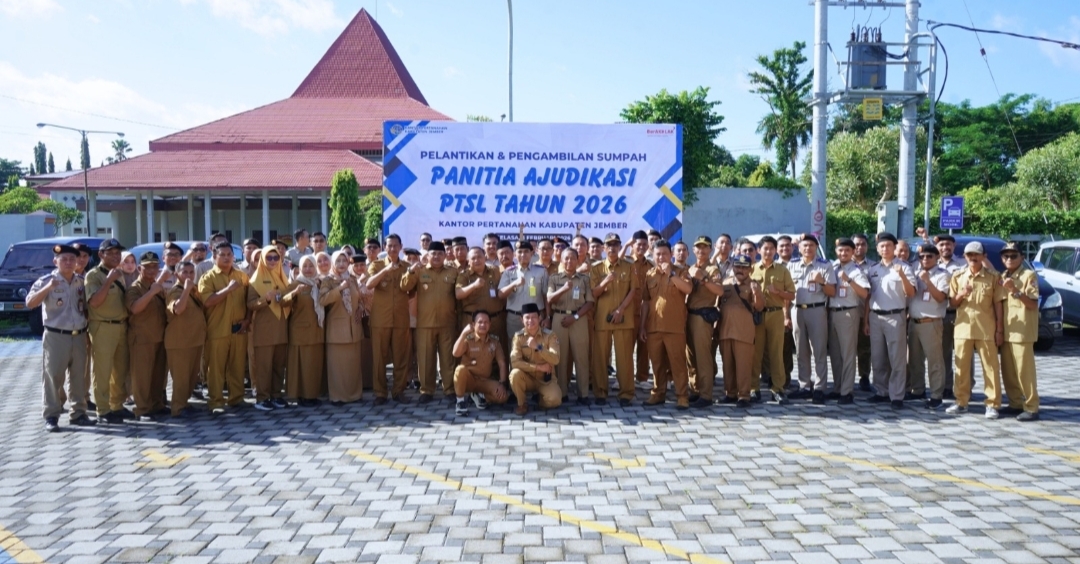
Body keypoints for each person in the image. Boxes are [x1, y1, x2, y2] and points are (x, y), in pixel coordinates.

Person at [26, 244, 94, 432]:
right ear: (55, 261)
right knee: (53, 376)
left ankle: (79, 413)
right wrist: (48, 288)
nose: (68, 262)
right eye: (63, 259)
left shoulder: (81, 281)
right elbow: (30, 303)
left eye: (72, 259)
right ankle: (51, 416)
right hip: (56, 336)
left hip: (79, 334)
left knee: (79, 377)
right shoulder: (46, 280)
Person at [947, 241, 1005, 418]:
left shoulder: (993, 277)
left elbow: (998, 304)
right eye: (969, 255)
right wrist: (961, 294)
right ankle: (961, 401)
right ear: (964, 257)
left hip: (986, 327)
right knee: (961, 367)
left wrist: (999, 329)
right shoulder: (958, 276)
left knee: (990, 367)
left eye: (976, 255)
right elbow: (952, 303)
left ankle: (992, 404)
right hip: (963, 327)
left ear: (983, 257)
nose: (973, 258)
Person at [401, 241, 458, 403]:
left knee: (448, 359)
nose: (437, 257)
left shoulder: (453, 272)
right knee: (425, 358)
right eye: (434, 254)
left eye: (440, 254)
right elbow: (404, 286)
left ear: (445, 255)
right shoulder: (420, 271)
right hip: (425, 323)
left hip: (448, 323)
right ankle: (426, 390)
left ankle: (449, 389)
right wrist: (411, 271)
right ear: (428, 256)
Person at [639, 240, 694, 409]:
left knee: (677, 363)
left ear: (671, 255)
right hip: (653, 327)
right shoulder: (649, 275)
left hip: (674, 327)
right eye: (658, 254)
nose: (661, 257)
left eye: (664, 254)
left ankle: (682, 396)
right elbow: (646, 302)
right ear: (653, 255)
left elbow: (688, 289)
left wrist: (671, 274)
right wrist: (642, 326)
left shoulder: (681, 271)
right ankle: (658, 393)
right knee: (657, 363)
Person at [865, 232, 917, 409]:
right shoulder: (873, 269)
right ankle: (881, 391)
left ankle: (896, 395)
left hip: (896, 316)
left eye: (888, 245)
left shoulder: (904, 267)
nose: (885, 248)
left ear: (895, 248)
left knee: (897, 358)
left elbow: (911, 293)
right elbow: (868, 296)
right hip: (875, 316)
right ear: (878, 249)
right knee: (878, 357)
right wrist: (866, 320)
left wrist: (902, 275)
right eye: (882, 246)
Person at [198, 241, 250, 415]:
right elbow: (208, 301)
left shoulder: (241, 276)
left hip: (239, 329)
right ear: (214, 256)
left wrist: (247, 320)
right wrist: (228, 289)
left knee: (237, 366)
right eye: (223, 255)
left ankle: (237, 398)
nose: (227, 258)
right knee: (216, 368)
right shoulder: (207, 278)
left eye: (229, 254)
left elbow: (248, 300)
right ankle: (216, 402)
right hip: (218, 329)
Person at [590, 234, 640, 407]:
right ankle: (600, 392)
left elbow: (633, 290)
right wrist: (605, 281)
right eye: (608, 245)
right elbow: (594, 293)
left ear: (620, 247)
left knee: (625, 357)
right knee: (600, 357)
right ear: (604, 248)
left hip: (623, 317)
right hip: (602, 318)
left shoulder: (629, 266)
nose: (612, 248)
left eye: (615, 245)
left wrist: (621, 309)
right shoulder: (596, 268)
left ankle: (626, 393)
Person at [86, 238, 132, 424]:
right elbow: (95, 302)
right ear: (101, 255)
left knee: (120, 370)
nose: (115, 256)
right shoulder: (94, 275)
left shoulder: (119, 273)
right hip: (102, 326)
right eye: (111, 252)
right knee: (103, 370)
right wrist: (108, 281)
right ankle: (103, 410)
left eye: (118, 252)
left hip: (121, 325)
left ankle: (117, 405)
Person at [788, 234, 836, 403]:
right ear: (799, 248)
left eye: (811, 245)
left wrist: (822, 282)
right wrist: (786, 315)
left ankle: (820, 387)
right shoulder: (792, 265)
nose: (808, 248)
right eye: (805, 245)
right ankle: (804, 385)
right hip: (797, 310)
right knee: (801, 350)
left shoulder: (825, 265)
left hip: (817, 310)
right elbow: (787, 292)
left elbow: (832, 292)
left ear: (816, 248)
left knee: (819, 350)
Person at [366, 234, 413, 404]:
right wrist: (386, 270)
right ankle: (380, 393)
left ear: (401, 247)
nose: (392, 249)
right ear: (385, 248)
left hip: (400, 319)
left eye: (395, 246)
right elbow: (369, 284)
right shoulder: (377, 265)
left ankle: (398, 391)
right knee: (379, 358)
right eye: (389, 246)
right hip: (380, 320)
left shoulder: (407, 267)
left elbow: (413, 290)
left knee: (401, 357)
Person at [750, 236, 796, 405]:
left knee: (777, 353)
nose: (768, 251)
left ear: (775, 251)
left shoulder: (782, 270)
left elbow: (792, 294)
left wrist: (778, 292)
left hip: (776, 314)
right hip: (757, 315)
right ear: (759, 250)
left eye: (771, 248)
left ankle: (778, 388)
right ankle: (753, 388)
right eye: (765, 248)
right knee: (756, 353)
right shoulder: (752, 269)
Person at [998, 242, 1040, 421]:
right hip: (1007, 330)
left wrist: (1015, 290)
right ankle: (1015, 403)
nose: (1009, 259)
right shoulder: (1003, 275)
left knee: (1025, 371)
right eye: (1006, 256)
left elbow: (1033, 304)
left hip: (1022, 330)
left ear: (1022, 257)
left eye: (1013, 256)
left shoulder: (1028, 275)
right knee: (1008, 371)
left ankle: (1031, 406)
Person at [125, 251, 170, 421]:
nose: (152, 271)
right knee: (142, 376)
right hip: (142, 339)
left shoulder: (157, 287)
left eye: (155, 267)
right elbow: (135, 308)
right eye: (147, 267)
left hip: (159, 336)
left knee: (158, 375)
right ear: (139, 268)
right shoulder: (135, 288)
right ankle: (142, 408)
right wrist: (151, 292)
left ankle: (156, 404)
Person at [547, 248, 595, 404]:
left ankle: (583, 394)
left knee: (581, 356)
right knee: (560, 357)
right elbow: (550, 299)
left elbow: (589, 302)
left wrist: (575, 317)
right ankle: (562, 392)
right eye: (566, 258)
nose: (569, 262)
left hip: (578, 318)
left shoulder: (584, 279)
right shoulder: (554, 278)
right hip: (559, 318)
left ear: (577, 260)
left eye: (572, 259)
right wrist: (564, 288)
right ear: (561, 260)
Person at [906, 244, 951, 409]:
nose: (925, 259)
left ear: (937, 257)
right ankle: (917, 390)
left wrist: (928, 281)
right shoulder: (915, 273)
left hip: (931, 322)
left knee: (935, 361)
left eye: (929, 256)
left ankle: (936, 395)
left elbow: (941, 298)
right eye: (922, 257)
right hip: (914, 321)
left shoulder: (943, 275)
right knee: (914, 360)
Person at [247, 245, 291, 411]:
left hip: (281, 327)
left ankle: (276, 395)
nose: (273, 261)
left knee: (279, 365)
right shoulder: (255, 281)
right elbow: (250, 305)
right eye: (269, 258)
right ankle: (262, 397)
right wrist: (265, 300)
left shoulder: (282, 278)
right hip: (264, 330)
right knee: (264, 365)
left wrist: (288, 298)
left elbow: (288, 301)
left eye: (276, 258)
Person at [827, 238, 869, 405]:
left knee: (848, 353)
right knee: (835, 354)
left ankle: (847, 391)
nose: (843, 253)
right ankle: (837, 388)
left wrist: (849, 280)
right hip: (832, 312)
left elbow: (865, 294)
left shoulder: (856, 270)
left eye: (847, 251)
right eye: (840, 250)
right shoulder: (832, 267)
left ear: (852, 253)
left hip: (848, 313)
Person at [717, 254, 762, 408]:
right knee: (727, 365)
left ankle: (744, 395)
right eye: (737, 266)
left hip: (744, 332)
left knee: (743, 366)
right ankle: (730, 393)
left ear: (750, 269)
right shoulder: (726, 283)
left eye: (744, 267)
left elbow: (760, 307)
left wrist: (756, 293)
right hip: (725, 330)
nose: (740, 270)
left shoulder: (753, 285)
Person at [284, 255, 327, 407]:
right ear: (300, 268)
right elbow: (283, 301)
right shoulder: (296, 283)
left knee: (314, 364)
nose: (308, 269)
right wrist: (295, 292)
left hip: (317, 330)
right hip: (300, 332)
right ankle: (302, 395)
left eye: (311, 266)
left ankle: (313, 395)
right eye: (305, 266)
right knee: (302, 365)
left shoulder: (319, 283)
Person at [164, 261, 205, 418]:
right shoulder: (175, 291)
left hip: (193, 340)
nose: (189, 275)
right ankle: (178, 407)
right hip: (179, 342)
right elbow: (178, 309)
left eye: (191, 272)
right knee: (181, 378)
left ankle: (185, 403)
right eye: (185, 272)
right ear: (177, 274)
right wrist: (187, 289)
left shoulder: (193, 290)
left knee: (190, 377)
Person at [685, 236, 722, 408]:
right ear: (693, 250)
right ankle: (696, 390)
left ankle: (706, 395)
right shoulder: (691, 268)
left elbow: (720, 291)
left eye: (705, 247)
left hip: (702, 316)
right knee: (691, 357)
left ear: (710, 250)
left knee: (703, 356)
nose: (701, 250)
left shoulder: (713, 269)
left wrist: (704, 279)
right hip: (689, 315)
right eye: (698, 247)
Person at [324, 250, 364, 405]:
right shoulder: (328, 280)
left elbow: (359, 298)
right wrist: (339, 288)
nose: (341, 264)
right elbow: (323, 300)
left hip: (354, 327)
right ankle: (338, 396)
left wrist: (360, 308)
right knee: (338, 367)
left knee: (353, 365)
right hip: (336, 329)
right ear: (333, 263)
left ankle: (355, 394)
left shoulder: (352, 279)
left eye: (344, 261)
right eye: (338, 261)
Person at [452, 311, 510, 416]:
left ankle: (480, 396)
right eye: (480, 322)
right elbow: (455, 353)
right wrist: (463, 333)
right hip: (469, 380)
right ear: (473, 324)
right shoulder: (467, 339)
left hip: (484, 381)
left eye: (486, 322)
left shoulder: (494, 341)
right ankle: (460, 402)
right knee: (460, 370)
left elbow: (502, 363)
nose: (483, 325)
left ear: (490, 324)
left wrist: (502, 383)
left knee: (503, 397)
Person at [508, 303, 562, 416]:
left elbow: (556, 359)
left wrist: (538, 347)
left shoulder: (550, 335)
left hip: (545, 379)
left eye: (534, 317)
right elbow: (515, 362)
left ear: (540, 318)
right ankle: (522, 404)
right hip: (527, 377)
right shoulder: (518, 337)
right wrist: (539, 367)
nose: (530, 320)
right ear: (521, 320)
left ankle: (539, 400)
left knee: (555, 399)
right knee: (514, 374)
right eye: (527, 317)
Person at [456, 246, 507, 359]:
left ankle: (500, 377)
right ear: (468, 261)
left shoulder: (495, 271)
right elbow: (458, 294)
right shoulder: (464, 275)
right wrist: (473, 286)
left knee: (498, 353)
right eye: (473, 258)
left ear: (485, 257)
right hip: (474, 323)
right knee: (473, 354)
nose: (477, 260)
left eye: (479, 257)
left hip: (495, 321)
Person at [499, 240, 549, 351]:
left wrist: (547, 317)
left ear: (532, 253)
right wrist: (514, 284)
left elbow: (546, 296)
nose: (523, 255)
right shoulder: (508, 272)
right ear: (515, 254)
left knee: (537, 349)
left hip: (536, 318)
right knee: (515, 350)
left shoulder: (541, 271)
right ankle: (516, 369)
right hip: (515, 318)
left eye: (526, 251)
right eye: (520, 252)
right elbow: (501, 294)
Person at [935, 234, 966, 399]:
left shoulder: (963, 264)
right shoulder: (932, 263)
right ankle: (946, 386)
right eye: (941, 245)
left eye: (948, 245)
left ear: (954, 247)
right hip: (942, 314)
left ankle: (965, 387)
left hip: (961, 314)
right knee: (943, 353)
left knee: (964, 353)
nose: (945, 247)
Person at [852, 233, 876, 392]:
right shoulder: (839, 265)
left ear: (867, 246)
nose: (859, 247)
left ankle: (864, 376)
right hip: (846, 313)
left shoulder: (874, 267)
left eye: (863, 244)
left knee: (865, 348)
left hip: (865, 313)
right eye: (857, 244)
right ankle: (843, 379)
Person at [627, 230, 650, 382]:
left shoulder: (651, 265)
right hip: (629, 311)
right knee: (627, 348)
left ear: (648, 246)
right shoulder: (626, 262)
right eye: (638, 244)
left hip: (645, 311)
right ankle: (626, 377)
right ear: (632, 245)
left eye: (644, 244)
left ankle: (642, 378)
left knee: (644, 347)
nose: (641, 247)